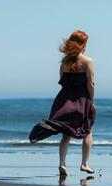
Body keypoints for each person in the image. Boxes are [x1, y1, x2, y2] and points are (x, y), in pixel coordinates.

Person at [29, 30, 97, 176]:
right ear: (83, 44)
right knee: (88, 131)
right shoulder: (88, 61)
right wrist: (91, 102)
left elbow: (62, 81)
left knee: (66, 133)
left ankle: (62, 164)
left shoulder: (65, 62)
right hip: (81, 100)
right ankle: (84, 164)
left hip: (63, 100)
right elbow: (91, 84)